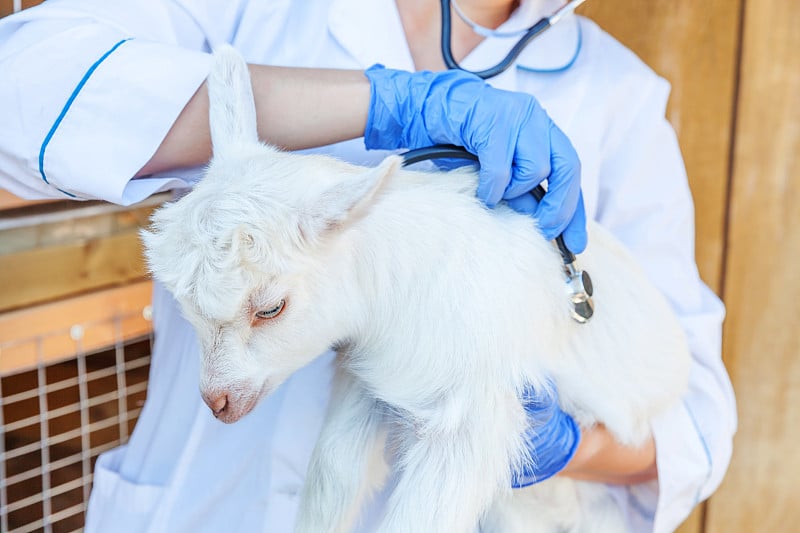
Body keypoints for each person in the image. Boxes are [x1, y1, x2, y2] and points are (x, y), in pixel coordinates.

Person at [0, 1, 736, 531]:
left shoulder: (619, 96)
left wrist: (563, 445)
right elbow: (19, 85)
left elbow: (695, 421)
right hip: (200, 507)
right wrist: (381, 104)